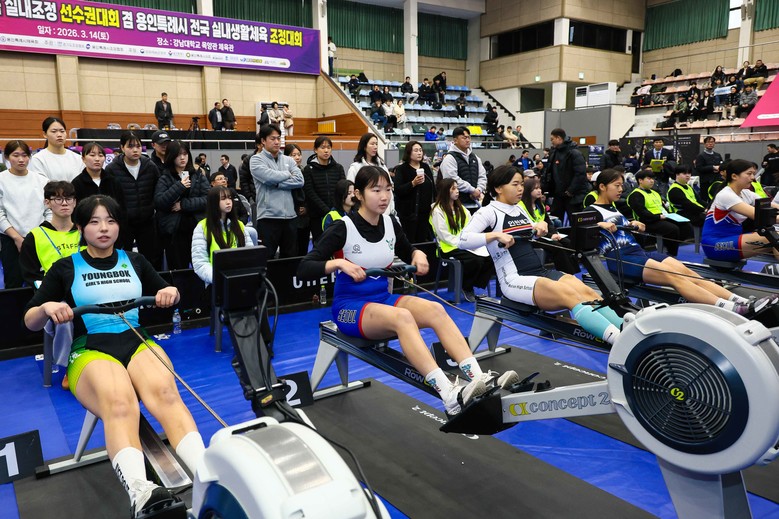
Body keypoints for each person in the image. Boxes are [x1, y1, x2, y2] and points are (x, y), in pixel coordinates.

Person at [23, 194, 204, 519]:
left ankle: (208, 474)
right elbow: (30, 320)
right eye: (94, 222)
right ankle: (141, 492)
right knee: (120, 402)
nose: (104, 228)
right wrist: (47, 307)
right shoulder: (65, 268)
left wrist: (170, 292)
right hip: (90, 348)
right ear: (81, 228)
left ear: (119, 226)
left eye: (110, 221)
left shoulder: (135, 260)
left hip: (136, 341)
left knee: (166, 393)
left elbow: (168, 292)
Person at [298, 166, 520, 415]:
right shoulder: (343, 227)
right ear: (358, 194)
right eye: (376, 190)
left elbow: (408, 249)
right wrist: (338, 264)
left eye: (388, 189)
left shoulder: (390, 223)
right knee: (403, 317)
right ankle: (448, 394)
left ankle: (479, 379)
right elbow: (304, 267)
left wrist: (418, 254)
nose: (384, 196)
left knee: (436, 309)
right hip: (349, 308)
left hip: (382, 299)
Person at [459, 165, 622, 346]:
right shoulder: (488, 212)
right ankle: (618, 340)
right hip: (514, 280)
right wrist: (495, 235)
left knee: (586, 291)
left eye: (522, 184)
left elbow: (533, 231)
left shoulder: (519, 209)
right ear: (498, 188)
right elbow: (463, 240)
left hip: (539, 272)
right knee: (569, 294)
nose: (520, 189)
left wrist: (540, 227)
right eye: (515, 184)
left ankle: (625, 328)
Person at [585, 169, 773, 316]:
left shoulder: (614, 208)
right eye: (617, 186)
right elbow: (579, 234)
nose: (621, 189)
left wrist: (635, 224)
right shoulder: (591, 211)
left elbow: (624, 229)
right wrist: (598, 225)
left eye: (621, 185)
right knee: (674, 277)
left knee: (689, 273)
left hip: (639, 253)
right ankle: (730, 308)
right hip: (622, 259)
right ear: (602, 186)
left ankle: (741, 301)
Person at [20, 181, 81, 386]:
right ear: (47, 202)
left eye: (69, 198)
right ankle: (70, 366)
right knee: (62, 315)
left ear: (75, 202)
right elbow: (30, 275)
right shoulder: (35, 236)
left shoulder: (85, 232)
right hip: (55, 296)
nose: (64, 203)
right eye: (58, 198)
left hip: (87, 289)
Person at [702, 159, 779, 262]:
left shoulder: (746, 193)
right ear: (734, 176)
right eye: (749, 174)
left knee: (775, 235)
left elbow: (772, 205)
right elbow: (760, 216)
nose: (753, 178)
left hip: (733, 239)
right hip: (714, 245)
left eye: (753, 174)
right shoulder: (726, 195)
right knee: (774, 237)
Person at [105, 131, 162, 270]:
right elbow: (109, 197)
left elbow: (158, 190)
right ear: (122, 148)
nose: (135, 150)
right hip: (124, 223)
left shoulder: (150, 166)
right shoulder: (112, 169)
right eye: (130, 146)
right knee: (122, 259)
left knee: (150, 259)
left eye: (138, 146)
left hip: (147, 221)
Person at [430, 178, 494, 302]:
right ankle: (467, 287)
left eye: (457, 188)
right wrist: (462, 243)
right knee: (475, 260)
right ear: (445, 191)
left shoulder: (461, 208)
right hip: (448, 247)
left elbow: (472, 227)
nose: (457, 191)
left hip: (465, 244)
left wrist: (471, 242)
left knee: (489, 258)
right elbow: (444, 235)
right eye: (453, 188)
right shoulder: (437, 211)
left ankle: (475, 284)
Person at [0, 140, 50, 288]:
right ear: (7, 157)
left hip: (39, 238)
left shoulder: (42, 180)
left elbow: (49, 210)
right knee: (13, 282)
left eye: (24, 155)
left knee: (40, 282)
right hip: (10, 239)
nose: (21, 159)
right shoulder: (1, 179)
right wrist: (16, 237)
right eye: (16, 155)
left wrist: (41, 233)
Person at [250, 124, 304, 258]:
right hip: (268, 217)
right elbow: (269, 177)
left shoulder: (288, 160)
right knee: (266, 259)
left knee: (290, 258)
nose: (277, 142)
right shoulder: (256, 160)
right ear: (263, 141)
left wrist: (277, 184)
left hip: (290, 217)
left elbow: (299, 180)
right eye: (272, 138)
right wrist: (287, 173)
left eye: (278, 138)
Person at [154, 140, 209, 269]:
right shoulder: (165, 177)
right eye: (178, 155)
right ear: (171, 156)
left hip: (197, 227)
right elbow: (160, 202)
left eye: (185, 154)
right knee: (179, 270)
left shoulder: (198, 175)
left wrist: (183, 205)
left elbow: (208, 199)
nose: (182, 157)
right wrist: (179, 186)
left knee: (201, 267)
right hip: (174, 231)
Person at [191, 186, 253, 285]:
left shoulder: (239, 225)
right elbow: (200, 264)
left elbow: (250, 255)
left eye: (229, 198)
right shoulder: (202, 227)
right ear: (214, 202)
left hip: (240, 281)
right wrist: (219, 278)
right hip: (215, 283)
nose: (228, 202)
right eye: (223, 199)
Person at [519, 175, 579, 274]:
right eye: (535, 189)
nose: (539, 191)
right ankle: (566, 274)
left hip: (545, 235)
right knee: (558, 247)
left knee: (568, 243)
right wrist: (551, 236)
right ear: (527, 191)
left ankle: (575, 272)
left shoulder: (540, 205)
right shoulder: (520, 206)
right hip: (533, 237)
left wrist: (554, 234)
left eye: (540, 188)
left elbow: (549, 223)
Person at [627, 170, 692, 257]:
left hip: (662, 217)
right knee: (673, 229)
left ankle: (667, 244)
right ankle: (671, 254)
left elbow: (662, 207)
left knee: (686, 226)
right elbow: (642, 213)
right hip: (647, 221)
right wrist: (659, 217)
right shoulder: (635, 195)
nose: (652, 181)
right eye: (649, 179)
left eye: (653, 179)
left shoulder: (655, 193)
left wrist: (670, 215)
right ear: (640, 180)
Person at [303, 136, 346, 244]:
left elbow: (342, 189)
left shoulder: (338, 168)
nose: (326, 150)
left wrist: (335, 210)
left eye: (328, 147)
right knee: (320, 244)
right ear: (315, 150)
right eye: (322, 147)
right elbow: (309, 192)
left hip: (336, 214)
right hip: (317, 215)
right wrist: (326, 210)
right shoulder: (308, 169)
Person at [543, 128, 588, 223]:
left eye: (552, 139)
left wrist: (570, 191)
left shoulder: (574, 153)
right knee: (555, 221)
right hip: (558, 195)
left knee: (576, 223)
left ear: (559, 138)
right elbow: (549, 172)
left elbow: (580, 174)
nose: (551, 142)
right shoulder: (554, 152)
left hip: (573, 196)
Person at [440, 126, 488, 213]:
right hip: (456, 205)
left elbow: (482, 176)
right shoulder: (450, 158)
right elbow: (451, 179)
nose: (467, 140)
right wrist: (472, 190)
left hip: (475, 204)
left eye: (469, 137)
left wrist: (479, 190)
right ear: (455, 140)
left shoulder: (475, 157)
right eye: (464, 138)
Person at [394, 141, 434, 243]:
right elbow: (398, 190)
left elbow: (432, 187)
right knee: (410, 241)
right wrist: (413, 183)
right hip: (408, 214)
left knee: (423, 241)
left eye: (420, 150)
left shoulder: (425, 167)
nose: (419, 153)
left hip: (425, 213)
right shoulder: (401, 169)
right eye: (416, 150)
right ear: (409, 152)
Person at [27, 117, 83, 182]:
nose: (59, 135)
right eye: (54, 131)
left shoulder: (78, 158)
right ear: (45, 134)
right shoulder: (37, 159)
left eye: (62, 131)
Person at [284, 143, 310, 254]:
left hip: (304, 216)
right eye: (293, 155)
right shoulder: (283, 174)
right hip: (289, 215)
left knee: (303, 247)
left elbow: (309, 192)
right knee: (291, 249)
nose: (297, 157)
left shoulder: (305, 171)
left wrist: (306, 207)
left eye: (299, 154)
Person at [694, 136, 723, 202]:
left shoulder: (718, 155)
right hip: (705, 181)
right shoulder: (701, 156)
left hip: (716, 180)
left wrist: (719, 168)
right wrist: (712, 167)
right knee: (705, 199)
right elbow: (699, 168)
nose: (710, 144)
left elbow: (721, 165)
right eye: (708, 142)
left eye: (712, 142)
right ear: (705, 144)